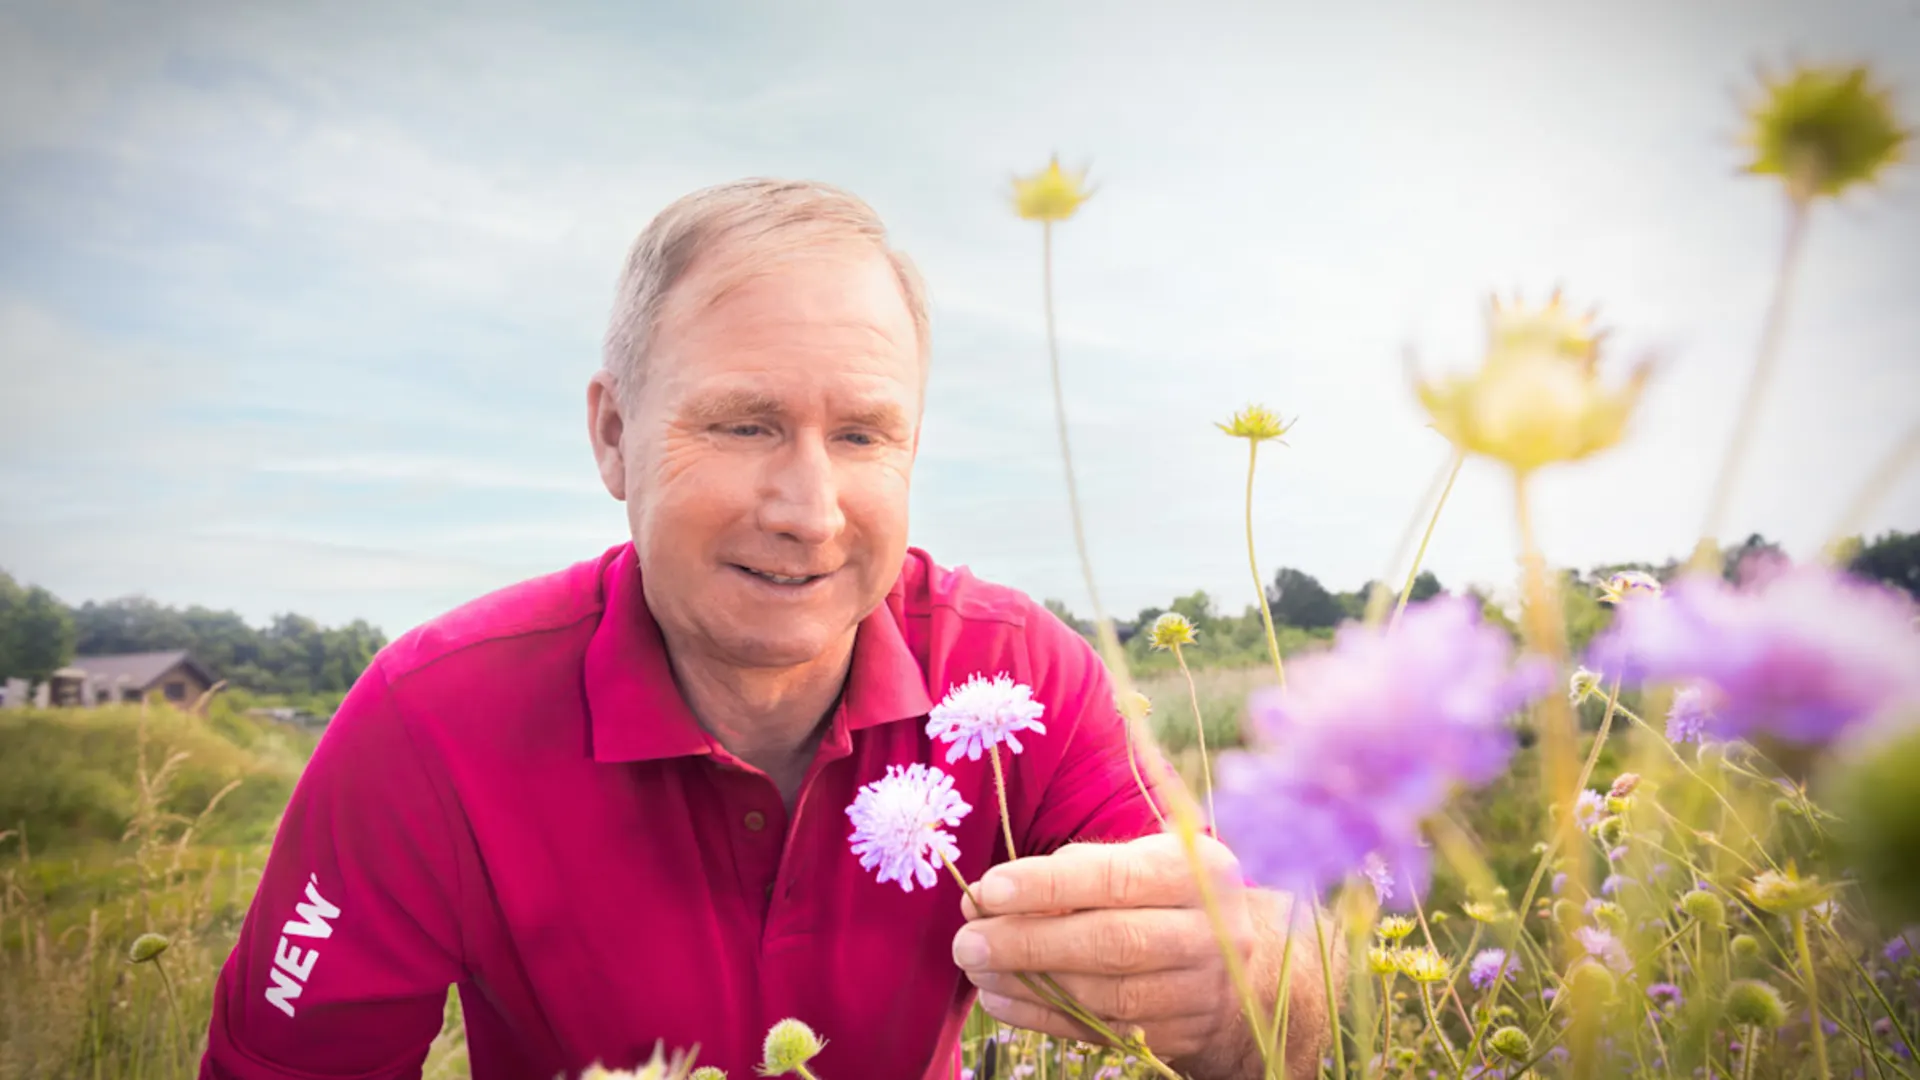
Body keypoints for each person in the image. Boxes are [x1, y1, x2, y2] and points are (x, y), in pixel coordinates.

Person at [200, 179, 1332, 1080]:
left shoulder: (1019, 675)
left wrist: (1256, 991)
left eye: (862, 435)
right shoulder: (431, 721)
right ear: (611, 436)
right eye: (743, 424)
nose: (808, 512)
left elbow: (1260, 989)